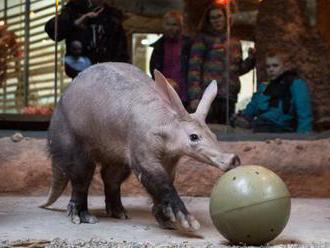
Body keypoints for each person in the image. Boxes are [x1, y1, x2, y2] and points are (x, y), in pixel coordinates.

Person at [187, 2, 255, 124]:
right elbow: (194, 69)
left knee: (226, 130)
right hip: (208, 95)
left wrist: (251, 59)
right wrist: (195, 97)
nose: (216, 20)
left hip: (229, 96)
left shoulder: (234, 41)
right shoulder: (202, 39)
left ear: (225, 17)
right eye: (212, 18)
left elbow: (237, 69)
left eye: (219, 16)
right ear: (208, 21)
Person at [232, 50, 313, 133]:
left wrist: (303, 137)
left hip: (282, 129)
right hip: (260, 127)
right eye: (268, 66)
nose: (271, 69)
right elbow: (252, 108)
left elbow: (304, 114)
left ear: (284, 66)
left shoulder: (295, 84)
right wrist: (242, 117)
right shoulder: (265, 88)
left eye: (275, 66)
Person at [45, 0, 129, 64]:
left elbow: (121, 51)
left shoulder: (112, 17)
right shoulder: (75, 9)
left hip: (107, 72)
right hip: (81, 70)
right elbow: (53, 30)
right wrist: (77, 21)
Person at [149, 10, 190, 106]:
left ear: (181, 26)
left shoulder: (189, 45)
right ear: (163, 25)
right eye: (168, 24)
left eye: (174, 24)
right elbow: (153, 70)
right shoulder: (158, 46)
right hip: (163, 94)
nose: (171, 28)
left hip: (184, 95)